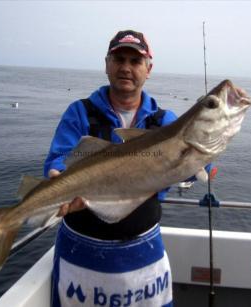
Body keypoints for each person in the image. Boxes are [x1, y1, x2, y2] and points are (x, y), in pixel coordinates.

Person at [44, 30, 176, 307]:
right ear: (107, 64)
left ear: (148, 69)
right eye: (118, 59)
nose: (126, 67)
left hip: (143, 251)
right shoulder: (79, 112)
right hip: (82, 249)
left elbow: (192, 168)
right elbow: (58, 159)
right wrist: (55, 176)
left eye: (135, 61)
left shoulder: (165, 122)